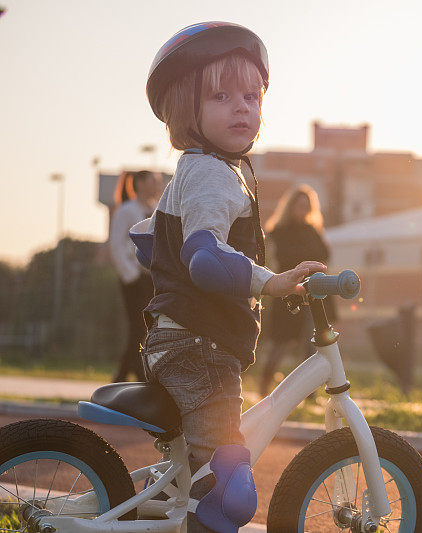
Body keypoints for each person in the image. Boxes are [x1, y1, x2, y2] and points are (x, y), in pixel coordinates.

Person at [130, 22, 326, 532]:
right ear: (185, 111)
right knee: (228, 490)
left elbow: (150, 243)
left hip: (174, 341)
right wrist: (275, 282)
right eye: (221, 95)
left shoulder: (193, 170)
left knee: (195, 473)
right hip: (199, 350)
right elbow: (205, 259)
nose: (242, 106)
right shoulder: (215, 173)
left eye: (251, 94)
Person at [259, 185, 336, 396]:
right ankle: (264, 387)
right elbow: (286, 258)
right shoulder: (280, 232)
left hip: (313, 294)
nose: (303, 210)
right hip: (289, 292)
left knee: (312, 344)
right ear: (290, 206)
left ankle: (308, 393)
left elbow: (324, 255)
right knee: (281, 343)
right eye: (300, 205)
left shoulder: (312, 230)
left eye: (307, 206)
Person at [108, 170, 159, 383]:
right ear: (139, 183)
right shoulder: (127, 210)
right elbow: (116, 244)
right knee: (138, 327)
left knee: (145, 329)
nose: (156, 185)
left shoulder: (157, 209)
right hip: (134, 278)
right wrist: (130, 275)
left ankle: (124, 378)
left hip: (152, 280)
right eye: (151, 181)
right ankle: (129, 378)